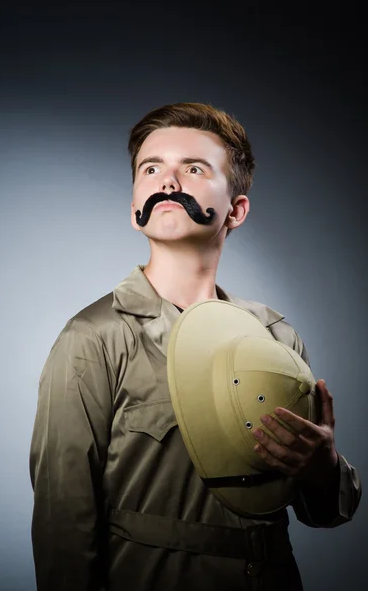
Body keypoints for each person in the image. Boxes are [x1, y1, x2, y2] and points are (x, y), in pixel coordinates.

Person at [29, 102, 362, 591]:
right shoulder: (92, 339)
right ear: (134, 204)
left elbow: (327, 513)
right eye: (151, 168)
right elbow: (63, 526)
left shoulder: (275, 338)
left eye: (193, 168)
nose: (168, 182)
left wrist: (323, 468)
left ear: (237, 210)